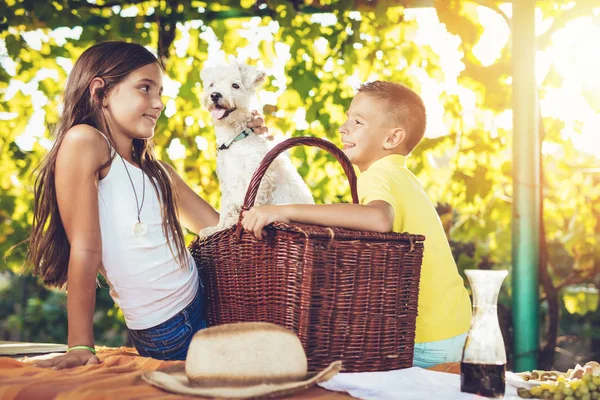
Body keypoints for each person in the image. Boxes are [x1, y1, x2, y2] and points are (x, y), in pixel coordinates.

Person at [27, 41, 267, 368]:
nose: (158, 104)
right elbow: (84, 249)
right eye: (145, 89)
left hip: (206, 301)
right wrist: (79, 346)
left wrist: (248, 140)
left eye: (161, 93)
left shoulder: (159, 172)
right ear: (100, 92)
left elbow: (221, 229)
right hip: (169, 329)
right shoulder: (85, 141)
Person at [241, 80, 472, 368]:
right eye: (348, 117)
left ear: (391, 139)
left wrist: (286, 211)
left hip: (428, 335)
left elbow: (378, 219)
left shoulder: (378, 176)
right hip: (454, 322)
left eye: (358, 121)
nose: (344, 127)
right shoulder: (404, 178)